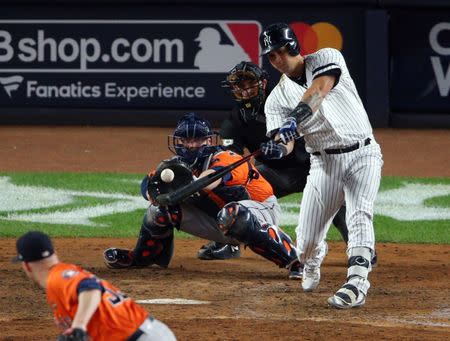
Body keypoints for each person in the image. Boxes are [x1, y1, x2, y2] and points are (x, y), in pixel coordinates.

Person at [258, 23, 383, 309]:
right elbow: (285, 145)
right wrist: (275, 147)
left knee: (359, 212)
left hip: (364, 153)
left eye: (280, 52)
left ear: (293, 47)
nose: (277, 60)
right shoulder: (275, 101)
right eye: (271, 56)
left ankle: (357, 283)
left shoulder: (327, 57)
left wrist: (294, 120)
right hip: (324, 164)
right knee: (305, 244)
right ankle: (313, 259)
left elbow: (320, 89)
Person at [104, 112, 312, 280]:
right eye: (186, 139)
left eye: (197, 139)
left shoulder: (225, 157)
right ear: (177, 141)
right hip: (219, 221)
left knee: (232, 214)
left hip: (260, 212)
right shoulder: (176, 165)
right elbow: (148, 183)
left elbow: (208, 181)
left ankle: (294, 260)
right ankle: (140, 257)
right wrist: (153, 193)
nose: (191, 144)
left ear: (207, 140)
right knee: (159, 210)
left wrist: (181, 188)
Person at [197, 61, 353, 262]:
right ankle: (229, 243)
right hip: (274, 173)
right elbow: (230, 159)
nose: (245, 92)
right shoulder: (236, 120)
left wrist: (281, 147)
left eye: (249, 84)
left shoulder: (284, 98)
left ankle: (358, 249)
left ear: (262, 83)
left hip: (314, 166)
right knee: (231, 185)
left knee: (337, 199)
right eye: (239, 87)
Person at [12, 230, 176, 341]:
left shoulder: (58, 277)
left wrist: (79, 326)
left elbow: (90, 287)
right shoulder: (61, 276)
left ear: (26, 265)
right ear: (54, 253)